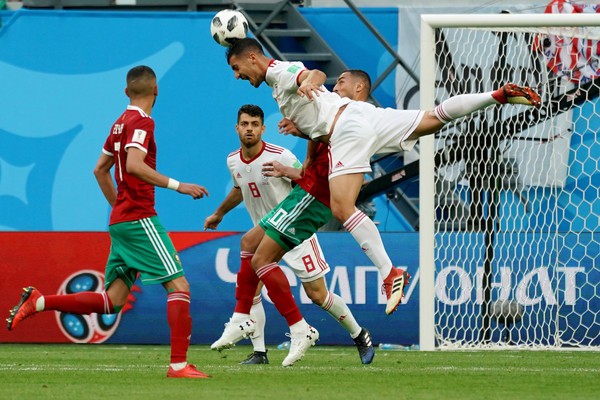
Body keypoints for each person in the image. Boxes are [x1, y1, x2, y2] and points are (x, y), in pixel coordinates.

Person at [225, 37, 542, 315]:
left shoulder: (279, 72)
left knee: (342, 208)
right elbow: (314, 113)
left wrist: (311, 80)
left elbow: (313, 74)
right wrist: (305, 138)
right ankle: (496, 95)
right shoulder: (280, 81)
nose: (238, 76)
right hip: (364, 116)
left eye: (237, 68)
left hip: (346, 129)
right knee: (434, 117)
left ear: (252, 57)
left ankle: (390, 274)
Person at [6, 65, 210, 379]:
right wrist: (178, 185)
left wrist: (119, 207)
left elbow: (100, 169)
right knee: (179, 285)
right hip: (139, 218)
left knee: (112, 301)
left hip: (122, 220)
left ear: (126, 92)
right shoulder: (142, 121)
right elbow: (134, 164)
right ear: (156, 90)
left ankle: (40, 301)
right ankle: (179, 365)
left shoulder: (118, 124)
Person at [205, 104, 374, 365]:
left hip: (295, 233)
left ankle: (358, 334)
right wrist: (219, 214)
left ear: (263, 128)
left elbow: (308, 182)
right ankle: (260, 352)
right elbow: (239, 189)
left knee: (318, 295)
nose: (249, 129)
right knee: (253, 287)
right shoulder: (233, 160)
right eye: (244, 124)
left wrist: (287, 172)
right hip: (264, 234)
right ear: (237, 128)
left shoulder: (281, 155)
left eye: (254, 124)